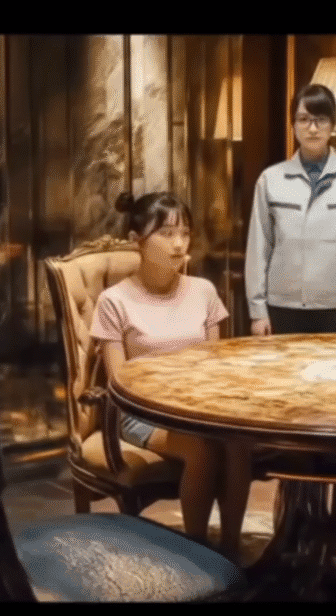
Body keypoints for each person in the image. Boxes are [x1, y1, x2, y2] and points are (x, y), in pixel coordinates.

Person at [90, 191, 251, 562]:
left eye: (185, 233)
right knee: (201, 446)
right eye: (165, 234)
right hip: (141, 413)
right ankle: (197, 553)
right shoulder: (115, 300)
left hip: (199, 407)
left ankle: (230, 548)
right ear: (136, 242)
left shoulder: (203, 291)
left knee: (238, 442)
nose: (179, 244)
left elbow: (215, 363)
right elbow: (119, 382)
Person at [245, 83, 336, 336]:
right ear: (292, 124)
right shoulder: (270, 179)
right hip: (282, 308)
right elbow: (258, 248)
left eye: (321, 119)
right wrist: (258, 311)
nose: (313, 128)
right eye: (304, 119)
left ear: (333, 124)